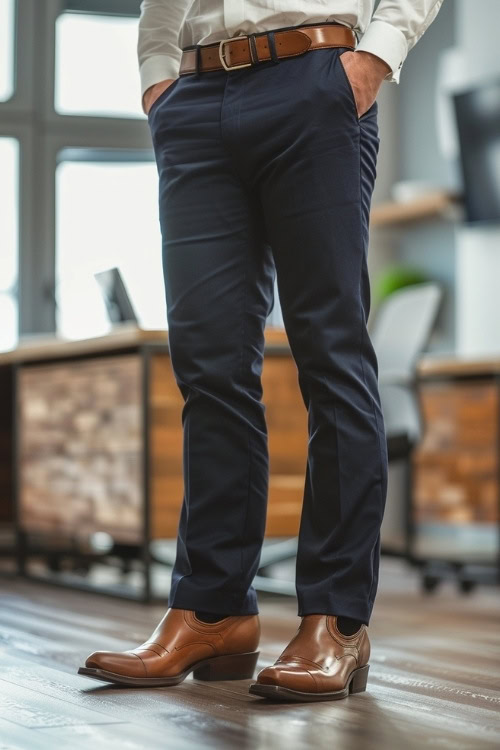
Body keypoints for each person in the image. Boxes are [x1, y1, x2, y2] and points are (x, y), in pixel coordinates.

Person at [79, 0, 444, 702]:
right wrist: (160, 80)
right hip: (195, 97)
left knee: (330, 354)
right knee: (209, 367)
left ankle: (336, 624)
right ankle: (212, 614)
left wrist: (375, 55)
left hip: (317, 79)